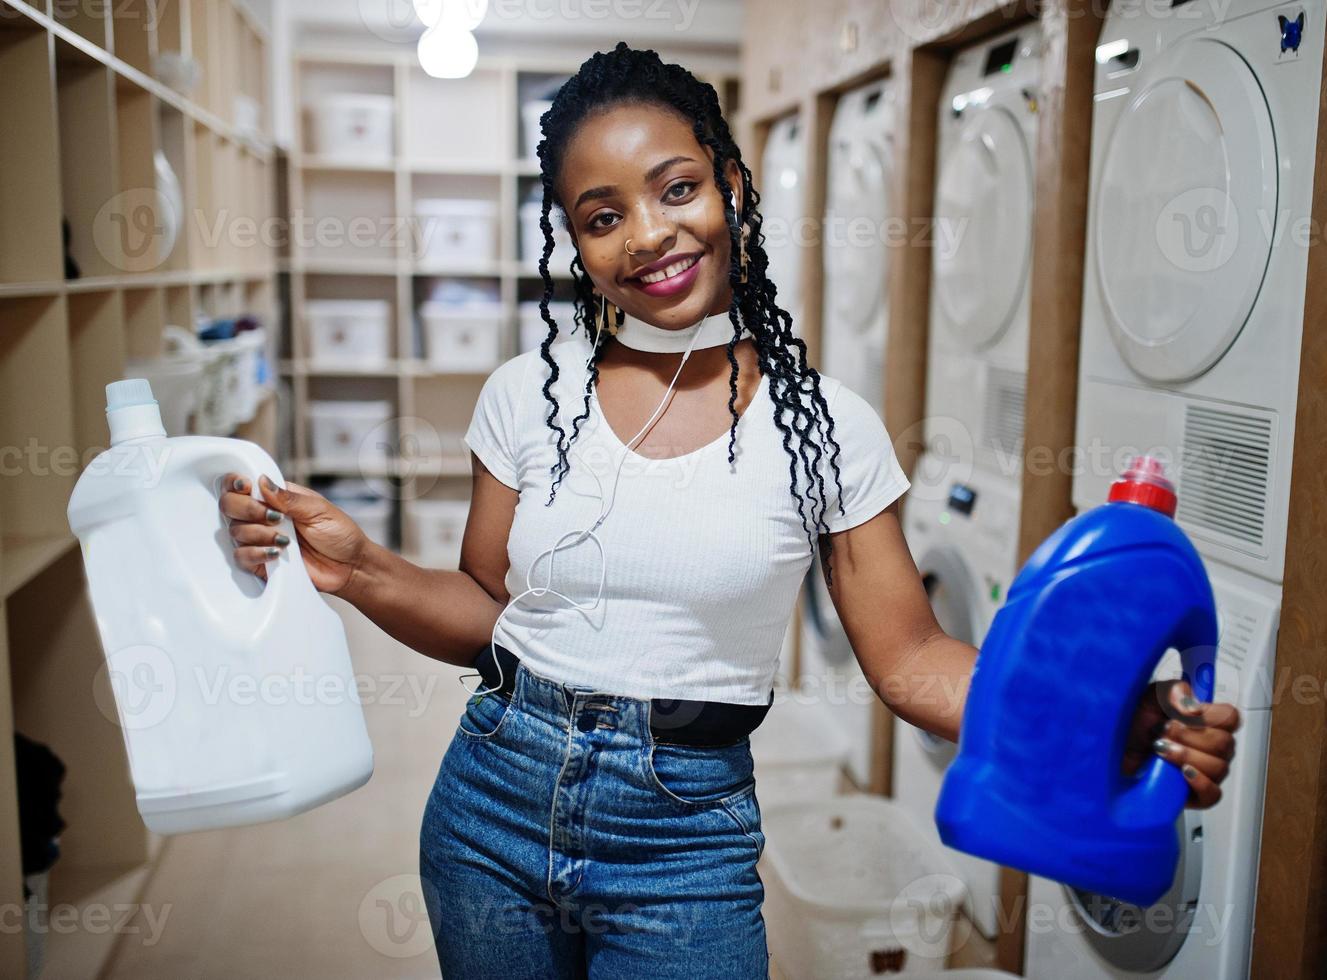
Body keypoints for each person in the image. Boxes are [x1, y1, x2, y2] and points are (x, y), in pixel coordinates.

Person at [216, 42, 1239, 980]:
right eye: (604, 215)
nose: (651, 235)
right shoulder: (523, 396)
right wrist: (359, 570)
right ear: (574, 241)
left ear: (732, 187)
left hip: (684, 838)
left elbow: (912, 657)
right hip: (492, 799)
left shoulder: (827, 427)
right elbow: (491, 611)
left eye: (679, 188)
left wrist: (1120, 716)